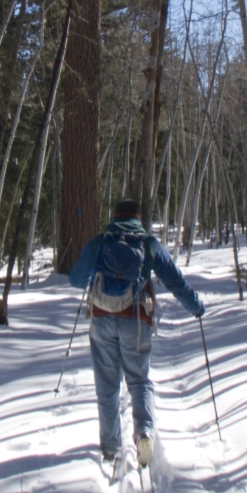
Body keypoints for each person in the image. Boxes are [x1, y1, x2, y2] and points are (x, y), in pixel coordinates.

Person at [67, 199, 205, 468]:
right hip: (137, 321)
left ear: (114, 217)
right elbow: (176, 280)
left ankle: (110, 449)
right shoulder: (148, 245)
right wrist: (196, 307)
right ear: (138, 219)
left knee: (107, 387)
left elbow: (74, 279)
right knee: (139, 381)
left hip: (102, 319)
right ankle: (143, 433)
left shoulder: (98, 243)